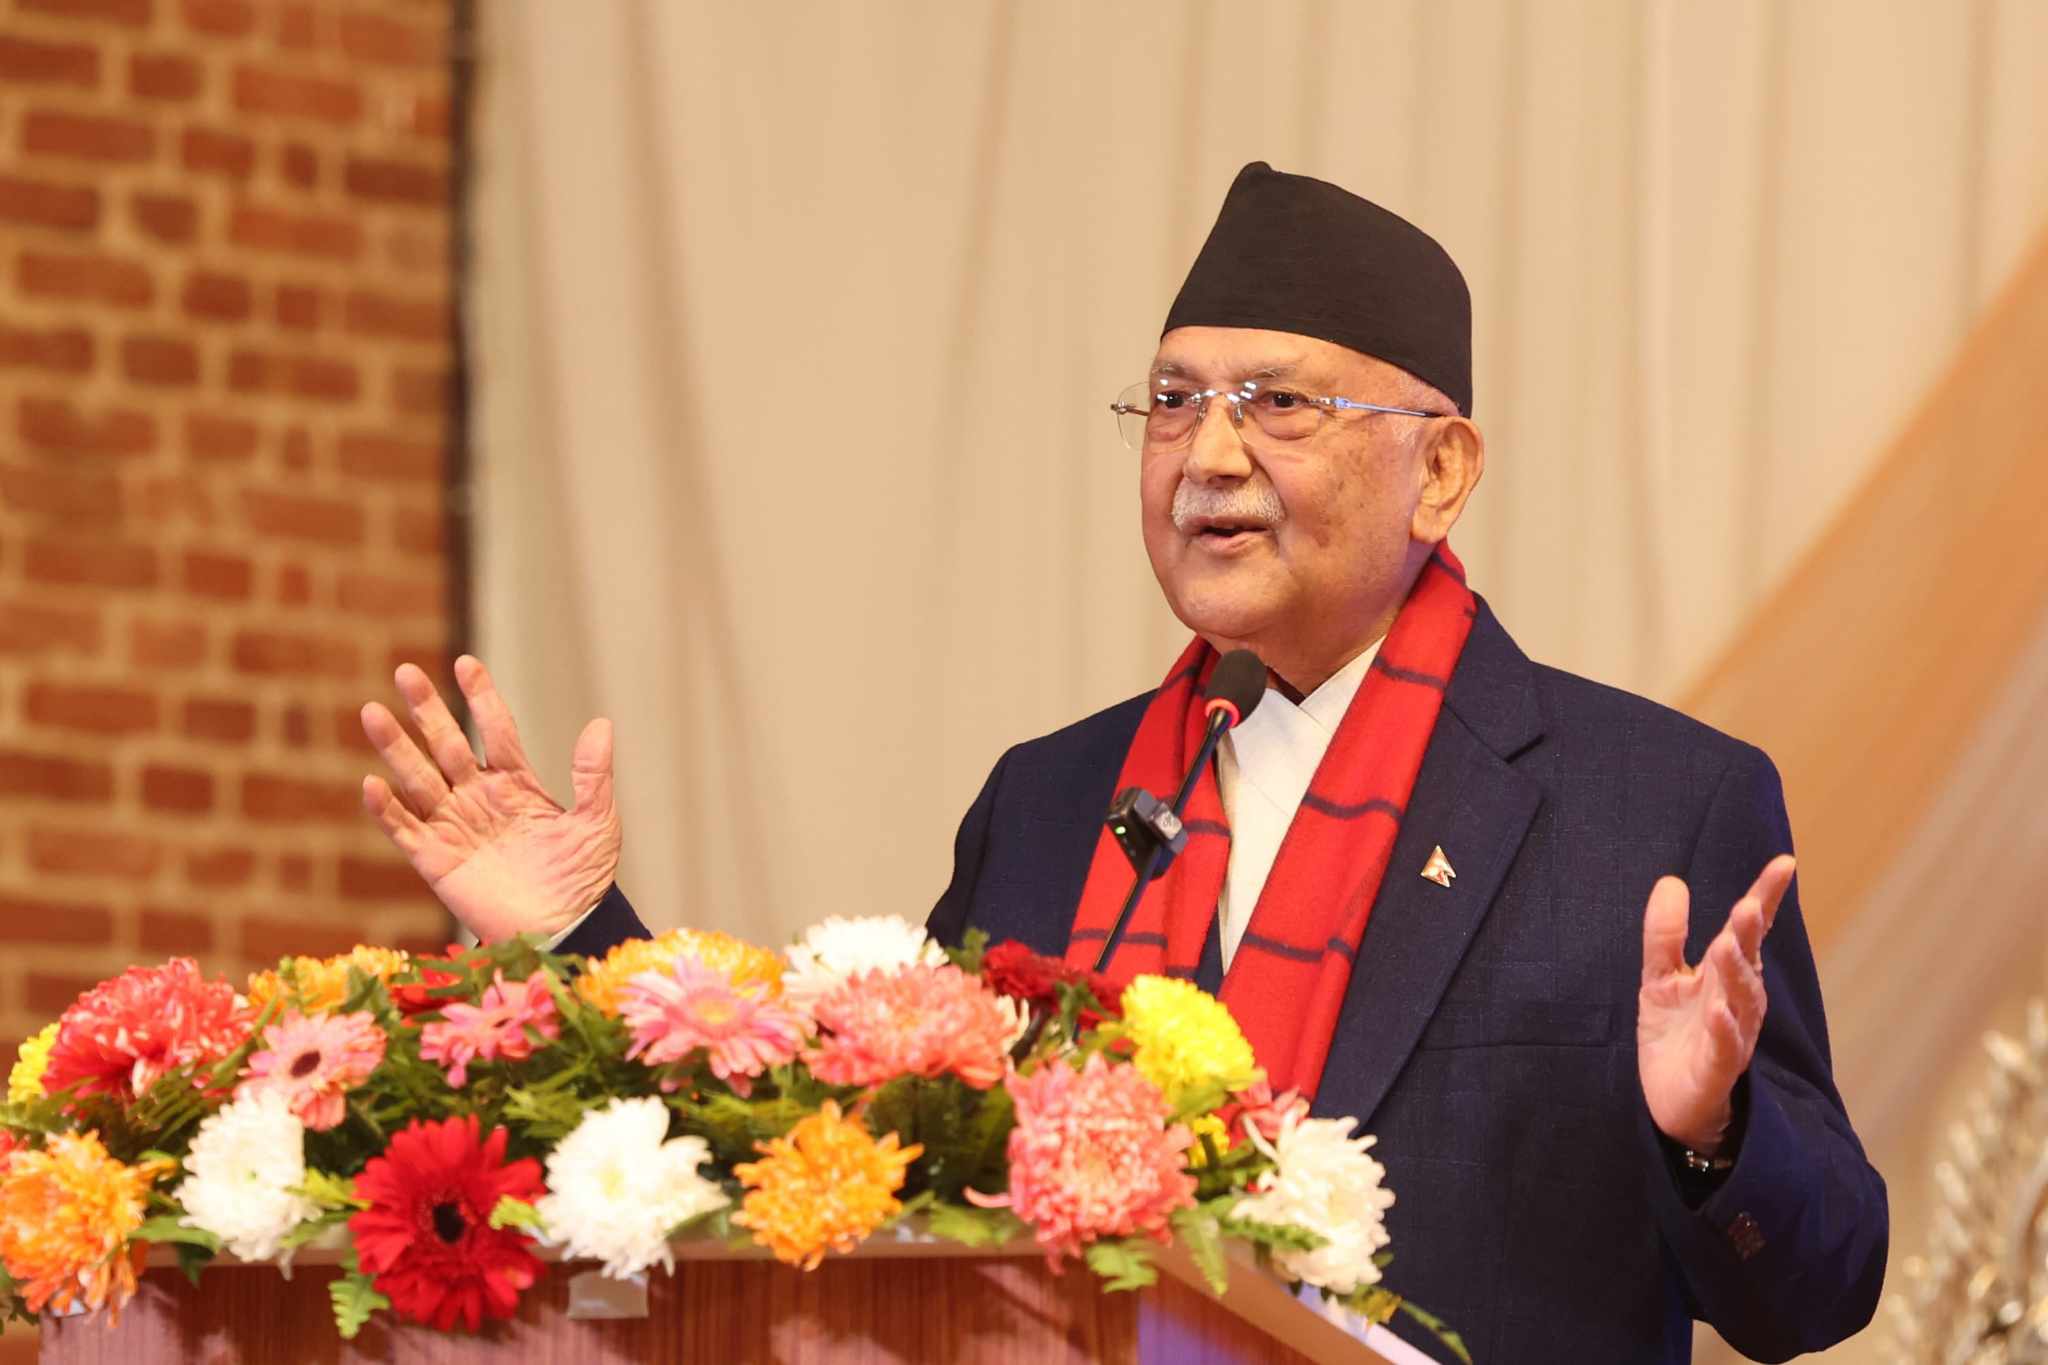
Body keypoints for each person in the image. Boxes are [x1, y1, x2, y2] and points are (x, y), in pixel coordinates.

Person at [357, 163, 1886, 1362]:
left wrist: (1713, 1134)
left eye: (1277, 404)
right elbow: (846, 1173)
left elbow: (1818, 1290)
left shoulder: (1650, 808)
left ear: (1441, 469)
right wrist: (580, 934)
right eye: (1171, 402)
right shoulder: (1049, 804)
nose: (1206, 456)